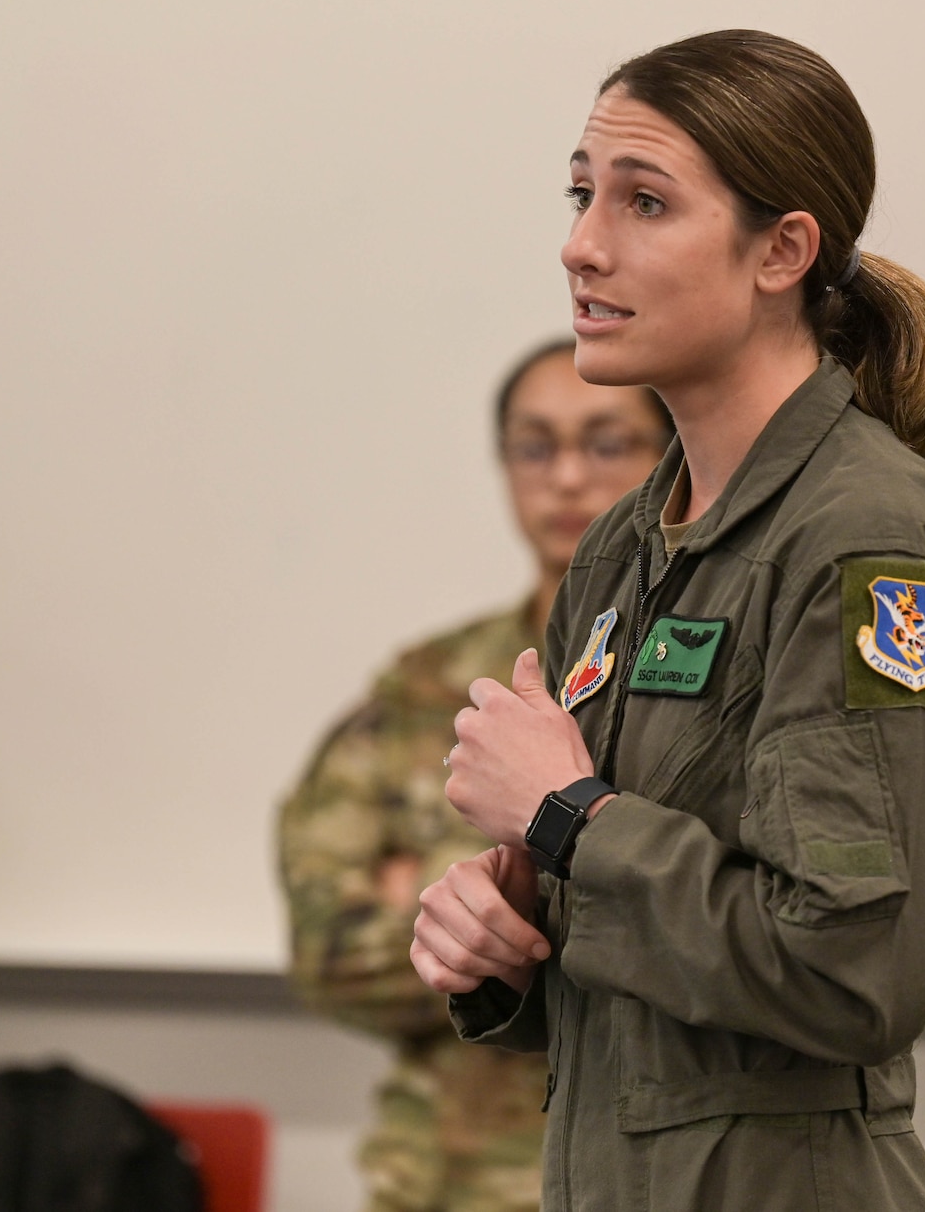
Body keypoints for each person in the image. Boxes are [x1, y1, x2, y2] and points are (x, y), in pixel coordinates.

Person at [407, 29, 925, 1211]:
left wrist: (569, 815)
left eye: (644, 201)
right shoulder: (626, 543)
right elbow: (653, 982)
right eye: (582, 193)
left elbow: (857, 973)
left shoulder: (868, 545)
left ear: (781, 249)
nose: (581, 243)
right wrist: (503, 936)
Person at [277, 340, 671, 1212]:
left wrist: (447, 893)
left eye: (606, 443)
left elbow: (722, 927)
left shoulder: (702, 674)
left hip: (651, 1175)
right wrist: (526, 891)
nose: (566, 476)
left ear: (670, 456)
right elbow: (326, 954)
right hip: (447, 1177)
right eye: (535, 446)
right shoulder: (427, 687)